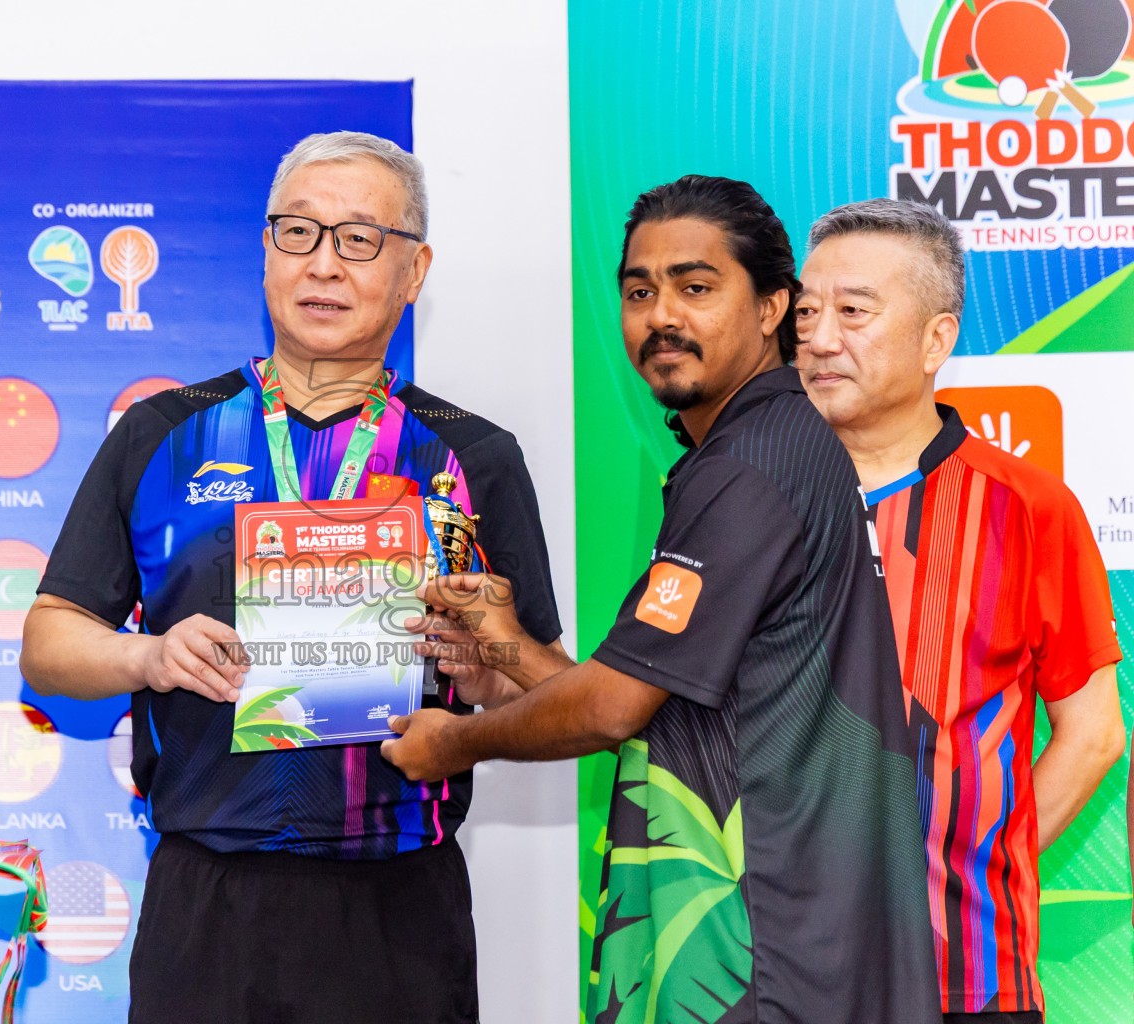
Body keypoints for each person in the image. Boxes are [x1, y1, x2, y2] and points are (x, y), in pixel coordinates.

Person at [20, 130, 561, 1024]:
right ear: (266, 252)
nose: (325, 265)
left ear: (414, 270)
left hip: (399, 910)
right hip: (207, 903)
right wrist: (150, 657)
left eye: (359, 239)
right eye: (297, 233)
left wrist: (486, 669)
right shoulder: (162, 432)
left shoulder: (472, 454)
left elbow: (537, 685)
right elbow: (48, 642)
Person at [382, 174, 941, 1023]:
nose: (661, 316)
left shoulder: (752, 466)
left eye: (696, 287)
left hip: (763, 950)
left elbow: (611, 708)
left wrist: (452, 743)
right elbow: (662, 703)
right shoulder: (759, 449)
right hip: (778, 941)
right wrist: (508, 650)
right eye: (639, 292)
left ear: (772, 310)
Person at [793, 198, 1125, 1024]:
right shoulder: (748, 502)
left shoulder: (1028, 507)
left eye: (854, 312)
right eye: (806, 311)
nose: (821, 337)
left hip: (968, 977)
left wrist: (977, 862)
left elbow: (1093, 734)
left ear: (937, 339)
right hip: (775, 979)